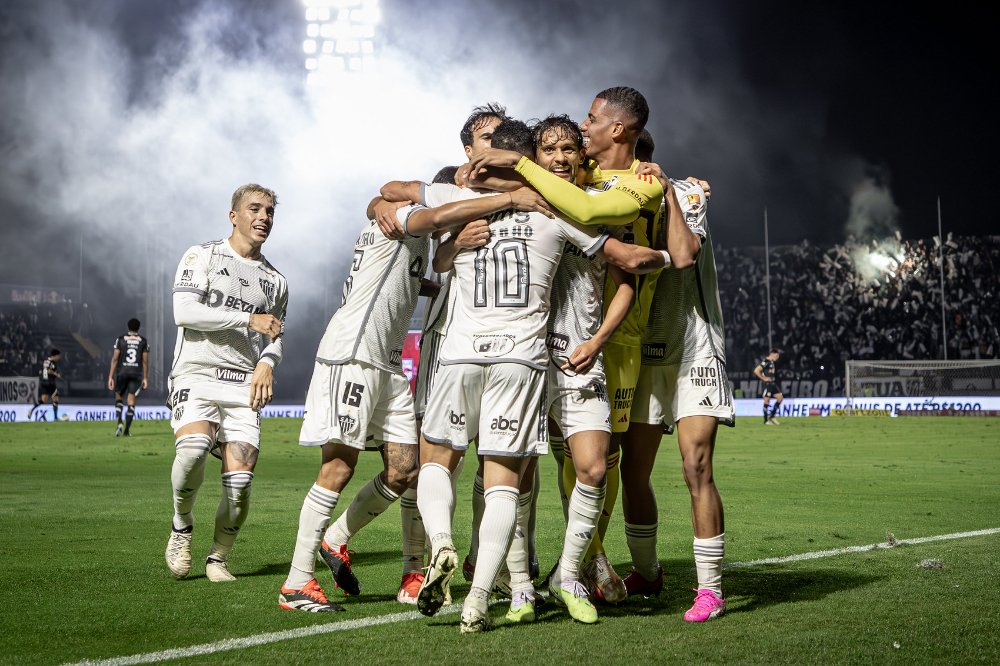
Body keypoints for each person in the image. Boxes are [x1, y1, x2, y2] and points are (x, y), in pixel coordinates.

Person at [278, 168, 553, 613]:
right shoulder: (409, 216)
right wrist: (508, 199)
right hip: (352, 352)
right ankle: (296, 581)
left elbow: (411, 268)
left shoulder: (420, 242)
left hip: (386, 363)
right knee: (338, 467)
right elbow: (421, 207)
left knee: (407, 468)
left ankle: (341, 541)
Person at [468, 87, 666, 603]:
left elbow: (620, 260)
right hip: (526, 346)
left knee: (600, 459)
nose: (562, 156)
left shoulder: (621, 190)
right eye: (550, 149)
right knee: (521, 462)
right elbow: (464, 180)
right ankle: (519, 575)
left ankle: (584, 561)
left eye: (580, 133)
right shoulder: (561, 182)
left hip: (605, 343)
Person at [621, 154, 733, 623]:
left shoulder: (686, 192)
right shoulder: (608, 194)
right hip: (641, 350)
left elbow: (686, 255)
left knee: (696, 466)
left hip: (694, 350)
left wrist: (669, 191)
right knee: (632, 471)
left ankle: (711, 590)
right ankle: (647, 573)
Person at [164, 183, 288, 584]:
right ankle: (182, 525)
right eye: (255, 209)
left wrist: (267, 363)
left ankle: (218, 558)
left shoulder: (275, 281)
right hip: (196, 373)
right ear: (233, 215)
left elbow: (274, 336)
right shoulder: (202, 255)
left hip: (242, 386)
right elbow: (184, 311)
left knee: (240, 487)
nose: (264, 217)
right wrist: (246, 319)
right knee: (194, 450)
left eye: (270, 211)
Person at [107, 318, 149, 436]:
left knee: (119, 397)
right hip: (136, 374)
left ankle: (119, 422)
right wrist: (145, 378)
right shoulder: (143, 341)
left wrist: (110, 376)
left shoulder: (120, 339)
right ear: (138, 327)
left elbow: (115, 359)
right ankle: (126, 431)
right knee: (131, 401)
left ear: (128, 327)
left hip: (122, 373)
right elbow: (145, 361)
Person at [29, 349, 61, 420]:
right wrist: (56, 374)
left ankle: (32, 409)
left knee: (44, 400)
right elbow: (49, 370)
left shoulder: (45, 361)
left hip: (44, 382)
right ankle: (55, 417)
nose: (59, 358)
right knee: (56, 398)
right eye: (58, 356)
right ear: (55, 356)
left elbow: (40, 371)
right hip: (50, 383)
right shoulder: (52, 363)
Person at [754, 349, 783, 424]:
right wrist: (764, 378)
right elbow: (756, 370)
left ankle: (772, 416)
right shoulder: (766, 361)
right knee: (767, 400)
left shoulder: (772, 362)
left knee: (780, 397)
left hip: (773, 383)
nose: (777, 358)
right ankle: (766, 420)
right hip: (767, 384)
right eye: (777, 356)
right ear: (773, 354)